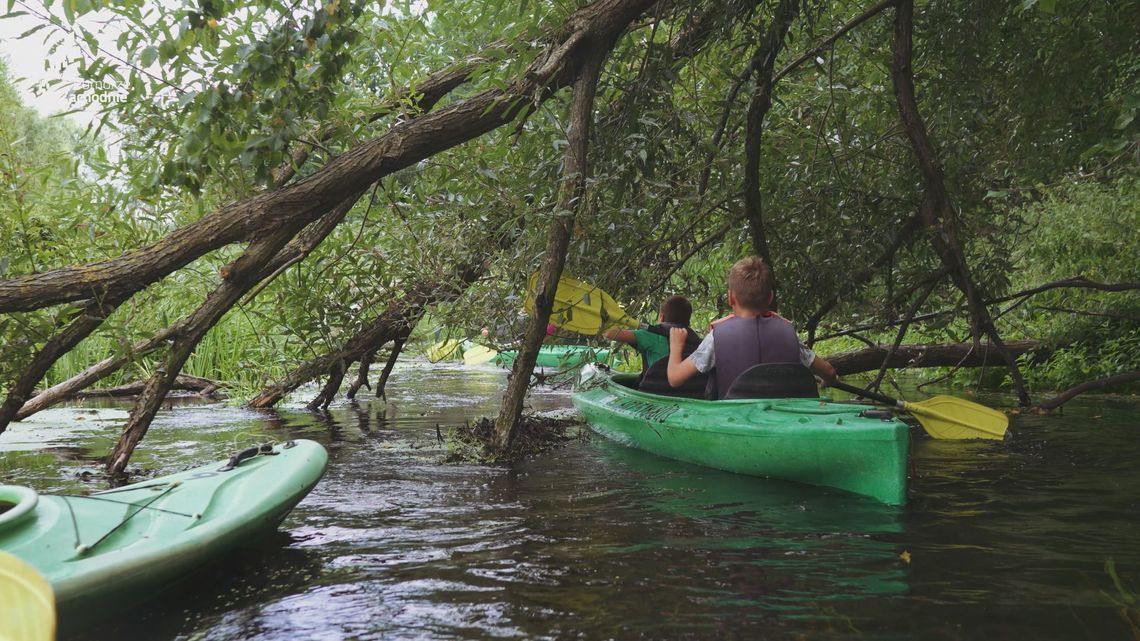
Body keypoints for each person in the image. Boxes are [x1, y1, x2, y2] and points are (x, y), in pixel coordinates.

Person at [666, 256, 837, 400]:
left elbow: (675, 378)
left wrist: (676, 347)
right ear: (770, 297)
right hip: (782, 420)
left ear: (730, 298)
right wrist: (828, 380)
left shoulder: (716, 339)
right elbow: (828, 371)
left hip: (734, 421)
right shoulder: (788, 334)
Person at [604, 295, 699, 379]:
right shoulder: (697, 341)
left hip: (655, 392)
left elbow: (608, 333)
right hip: (687, 394)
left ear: (661, 317)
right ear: (688, 321)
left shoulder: (653, 336)